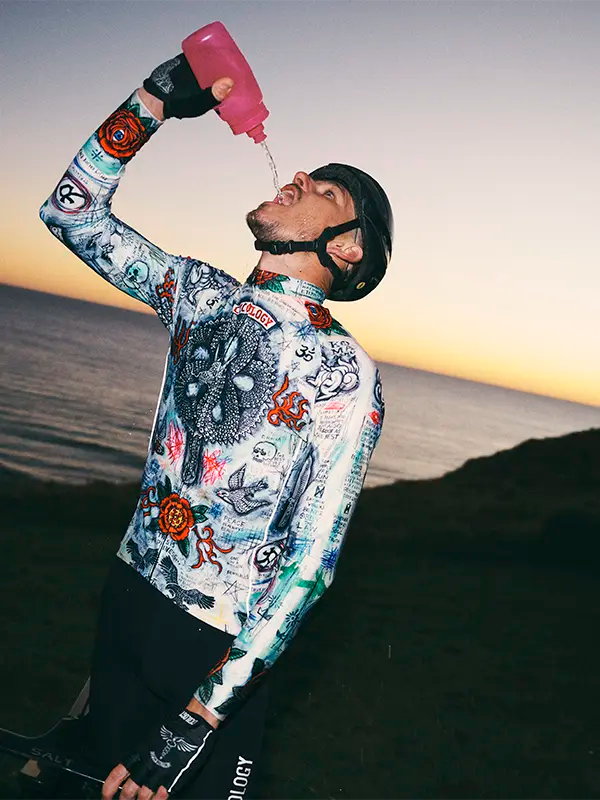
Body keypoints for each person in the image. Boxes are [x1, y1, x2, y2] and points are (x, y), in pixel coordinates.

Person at [39, 49, 393, 800]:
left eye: (325, 191)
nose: (299, 177)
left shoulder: (345, 372)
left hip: (213, 647)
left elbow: (311, 563)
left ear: (346, 247)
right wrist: (154, 99)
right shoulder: (199, 296)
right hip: (128, 591)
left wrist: (199, 718)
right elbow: (70, 213)